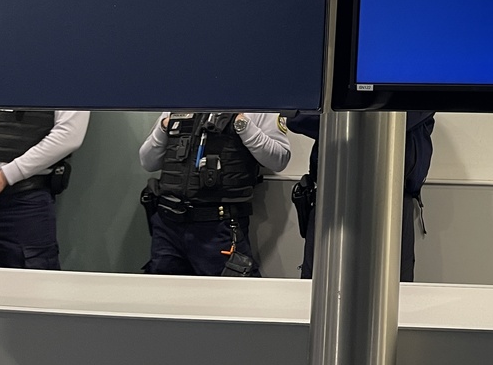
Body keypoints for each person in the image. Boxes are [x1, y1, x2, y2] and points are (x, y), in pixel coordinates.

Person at [286, 111, 434, 281]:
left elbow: (398, 120)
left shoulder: (414, 96)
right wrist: (358, 115)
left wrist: (343, 118)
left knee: (394, 285)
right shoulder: (330, 94)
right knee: (321, 282)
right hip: (334, 196)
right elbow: (297, 118)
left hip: (393, 201)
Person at [139, 111, 289, 276]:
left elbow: (279, 160)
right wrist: (164, 127)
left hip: (218, 227)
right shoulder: (180, 103)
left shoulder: (255, 105)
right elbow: (148, 162)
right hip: (168, 225)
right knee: (163, 290)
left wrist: (243, 125)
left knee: (228, 291)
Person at [0, 108, 90, 269]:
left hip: (23, 199)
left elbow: (69, 135)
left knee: (30, 278)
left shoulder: (68, 89)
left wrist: (4, 177)